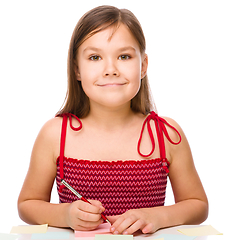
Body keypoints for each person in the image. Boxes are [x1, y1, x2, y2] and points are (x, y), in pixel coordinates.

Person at [18, 5, 208, 235]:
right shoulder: (55, 133)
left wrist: (157, 216)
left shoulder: (166, 133)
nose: (110, 69)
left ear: (143, 66)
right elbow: (27, 204)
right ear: (77, 69)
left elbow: (198, 205)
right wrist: (65, 214)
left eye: (124, 56)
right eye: (95, 57)